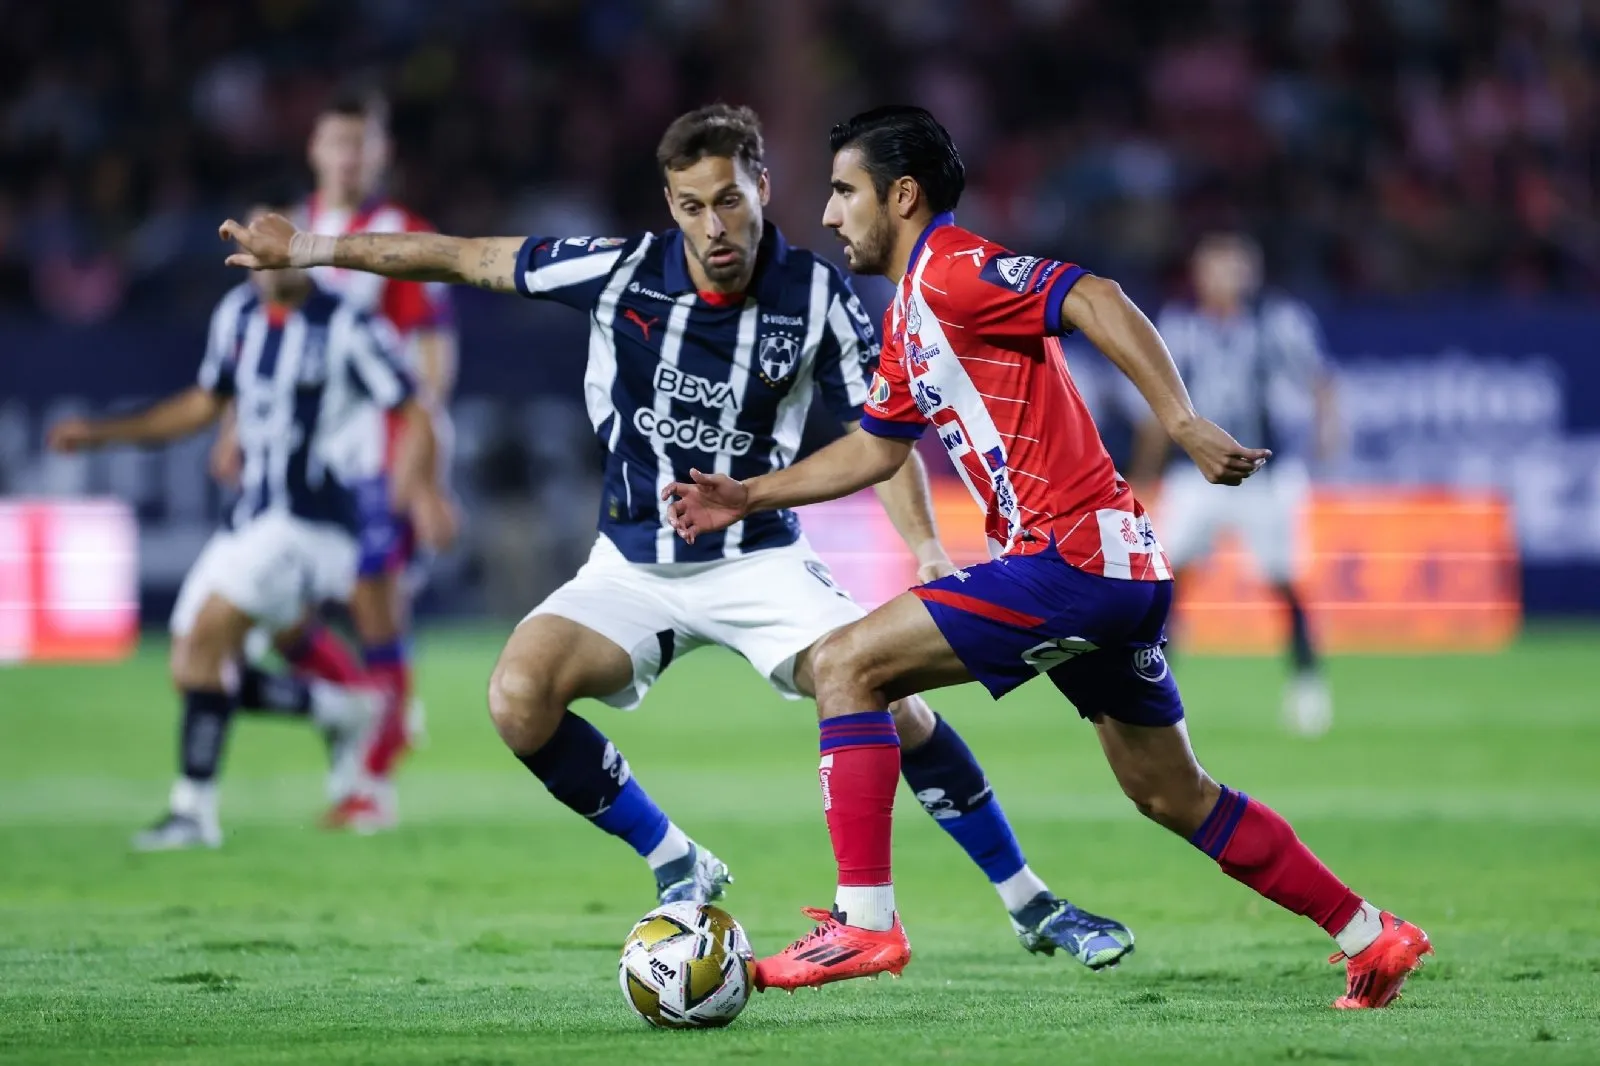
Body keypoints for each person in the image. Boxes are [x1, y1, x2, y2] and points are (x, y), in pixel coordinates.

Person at [218, 104, 1134, 967]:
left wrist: (927, 548)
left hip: (760, 559)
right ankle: (676, 859)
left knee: (887, 697)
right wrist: (305, 246)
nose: (715, 226)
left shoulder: (816, 296)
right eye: (693, 206)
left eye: (730, 200)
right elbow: (459, 257)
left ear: (763, 187)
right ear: (671, 205)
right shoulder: (618, 271)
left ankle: (1032, 902)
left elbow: (881, 438)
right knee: (517, 697)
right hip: (630, 564)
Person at [663, 105, 1431, 1008]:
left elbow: (1096, 295)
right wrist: (750, 494)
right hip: (1112, 568)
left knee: (845, 665)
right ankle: (1371, 934)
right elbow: (877, 448)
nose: (829, 215)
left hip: (1073, 559)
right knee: (1169, 792)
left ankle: (864, 921)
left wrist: (1179, 422)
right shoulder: (913, 312)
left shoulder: (953, 269)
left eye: (844, 191)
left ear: (901, 196)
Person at [48, 193, 446, 850]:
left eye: (276, 241)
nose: (264, 257)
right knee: (193, 666)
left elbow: (417, 408)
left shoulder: (347, 325)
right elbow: (204, 405)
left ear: (297, 244)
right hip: (252, 518)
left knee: (206, 640)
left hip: (314, 523)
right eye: (254, 246)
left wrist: (419, 490)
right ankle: (341, 707)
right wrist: (99, 434)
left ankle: (193, 812)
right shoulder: (236, 317)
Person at [213, 87, 461, 829]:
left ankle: (370, 782)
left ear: (381, 152)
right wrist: (233, 426)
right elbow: (260, 330)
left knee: (375, 606)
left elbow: (430, 361)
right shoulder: (288, 229)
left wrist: (421, 472)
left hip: (370, 458)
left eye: (362, 143)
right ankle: (374, 708)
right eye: (337, 143)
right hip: (291, 464)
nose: (349, 157)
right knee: (281, 623)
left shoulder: (403, 232)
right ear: (316, 151)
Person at [1131, 233, 1338, 735]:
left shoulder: (1277, 321)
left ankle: (1307, 682)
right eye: (1214, 267)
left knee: (1284, 579)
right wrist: (1144, 471)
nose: (1223, 278)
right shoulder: (1179, 325)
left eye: (1233, 267)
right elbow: (1160, 406)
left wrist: (1325, 438)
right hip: (1196, 474)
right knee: (1165, 580)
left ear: (1251, 272)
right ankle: (1157, 686)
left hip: (1263, 471)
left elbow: (1320, 381)